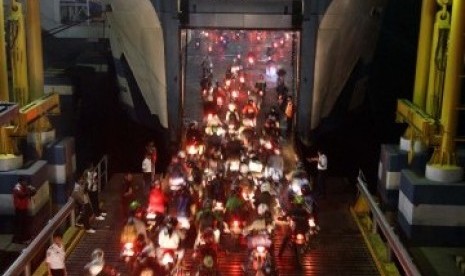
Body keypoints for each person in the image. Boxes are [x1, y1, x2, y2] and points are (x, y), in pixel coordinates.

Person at [12, 177, 36, 243]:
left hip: (24, 208)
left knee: (25, 224)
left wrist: (32, 190)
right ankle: (18, 239)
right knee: (20, 225)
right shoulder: (17, 188)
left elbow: (33, 192)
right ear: (20, 182)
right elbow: (21, 196)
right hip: (19, 209)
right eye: (24, 181)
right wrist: (29, 191)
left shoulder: (26, 187)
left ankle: (25, 238)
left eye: (26, 181)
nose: (26, 183)